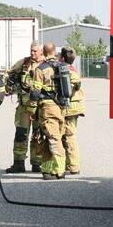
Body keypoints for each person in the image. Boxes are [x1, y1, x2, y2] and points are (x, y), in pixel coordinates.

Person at [4, 42, 44, 173]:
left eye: (35, 51)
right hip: (23, 108)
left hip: (40, 107)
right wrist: (10, 84)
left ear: (41, 51)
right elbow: (9, 74)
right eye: (31, 50)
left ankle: (37, 163)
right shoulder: (23, 63)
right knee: (21, 134)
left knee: (38, 135)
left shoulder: (46, 65)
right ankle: (18, 163)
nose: (32, 53)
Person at [30, 42, 67, 180]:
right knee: (47, 137)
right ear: (55, 52)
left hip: (48, 108)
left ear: (43, 53)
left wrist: (32, 109)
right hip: (61, 107)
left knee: (53, 138)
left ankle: (59, 170)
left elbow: (34, 93)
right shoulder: (63, 67)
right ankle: (47, 170)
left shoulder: (41, 69)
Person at [59, 46, 86, 175]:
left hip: (70, 108)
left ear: (62, 58)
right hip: (75, 107)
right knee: (68, 135)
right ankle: (70, 164)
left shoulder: (67, 71)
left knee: (69, 136)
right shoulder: (73, 69)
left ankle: (74, 166)